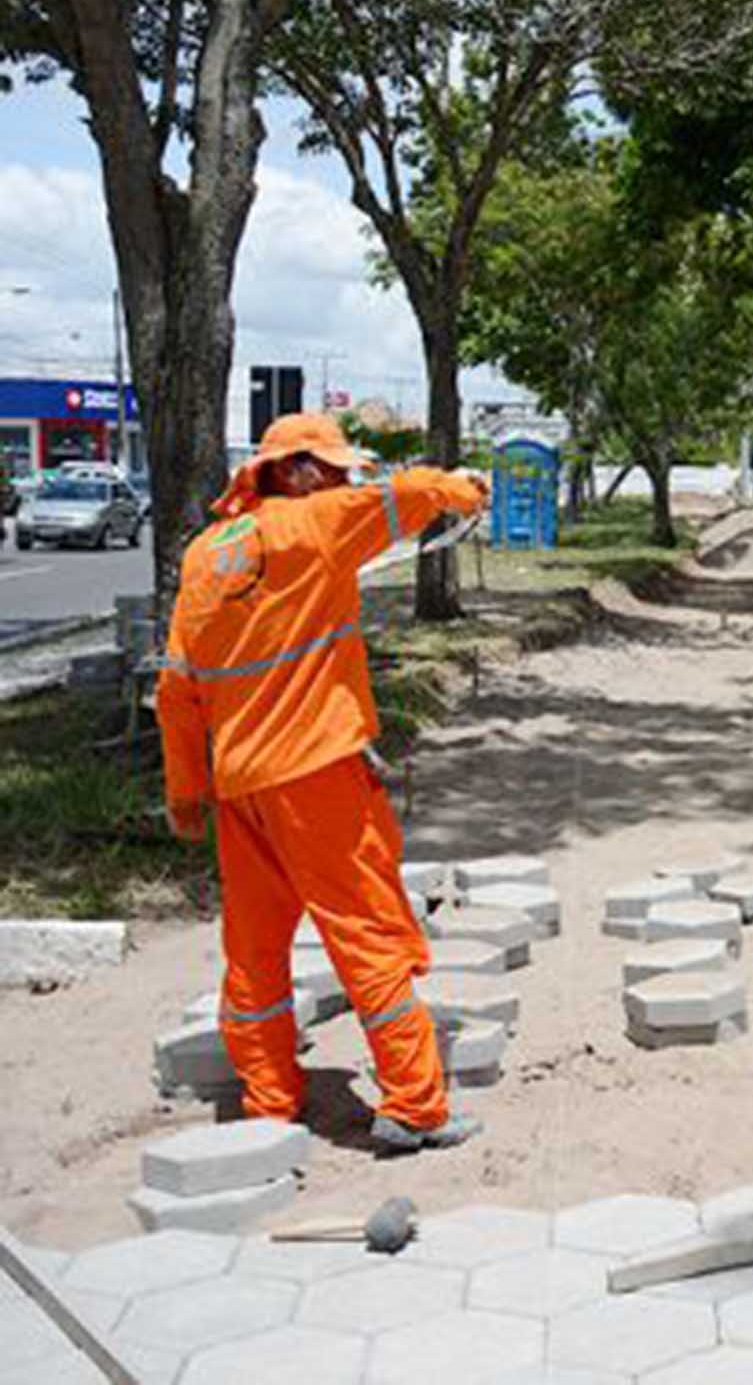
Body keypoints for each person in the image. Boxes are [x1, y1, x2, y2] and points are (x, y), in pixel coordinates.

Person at [157, 414, 489, 1154]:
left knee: (254, 947)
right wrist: (465, 489)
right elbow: (409, 494)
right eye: (333, 468)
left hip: (240, 786)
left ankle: (269, 1101)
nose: (343, 481)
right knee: (366, 930)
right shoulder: (317, 522)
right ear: (299, 469)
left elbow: (176, 690)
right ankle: (413, 1104)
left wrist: (186, 791)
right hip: (316, 774)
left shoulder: (205, 555)